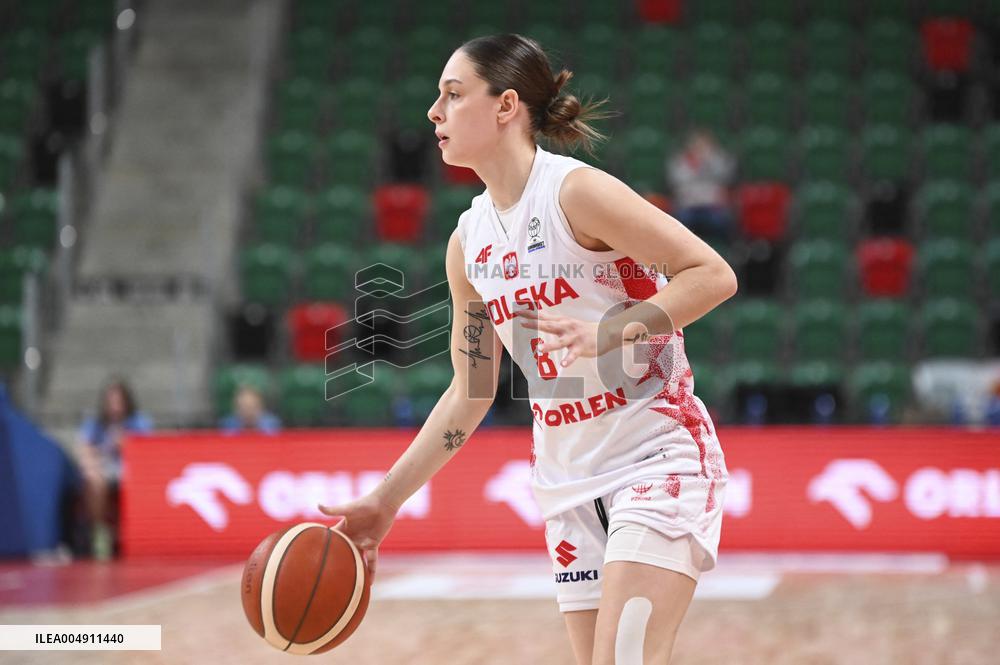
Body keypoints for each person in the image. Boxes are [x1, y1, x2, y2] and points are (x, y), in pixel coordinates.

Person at [318, 34, 738, 665]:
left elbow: (711, 274)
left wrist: (611, 332)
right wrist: (386, 500)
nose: (434, 111)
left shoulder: (576, 192)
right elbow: (470, 393)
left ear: (506, 105)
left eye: (453, 94)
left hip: (655, 456)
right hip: (566, 484)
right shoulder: (469, 243)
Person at [75, 376, 153, 560]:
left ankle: (134, 533)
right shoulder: (95, 424)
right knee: (94, 479)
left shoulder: (138, 422)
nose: (114, 406)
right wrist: (94, 458)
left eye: (118, 401)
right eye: (111, 401)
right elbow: (84, 449)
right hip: (105, 468)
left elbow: (148, 451)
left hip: (131, 470)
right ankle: (100, 531)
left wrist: (126, 445)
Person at [666, 128, 736, 245]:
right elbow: (676, 179)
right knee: (682, 221)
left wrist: (707, 160)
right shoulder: (681, 160)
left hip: (712, 206)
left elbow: (726, 175)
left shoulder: (718, 158)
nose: (699, 147)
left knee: (720, 221)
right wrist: (694, 165)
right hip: (689, 207)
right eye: (696, 144)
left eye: (703, 144)